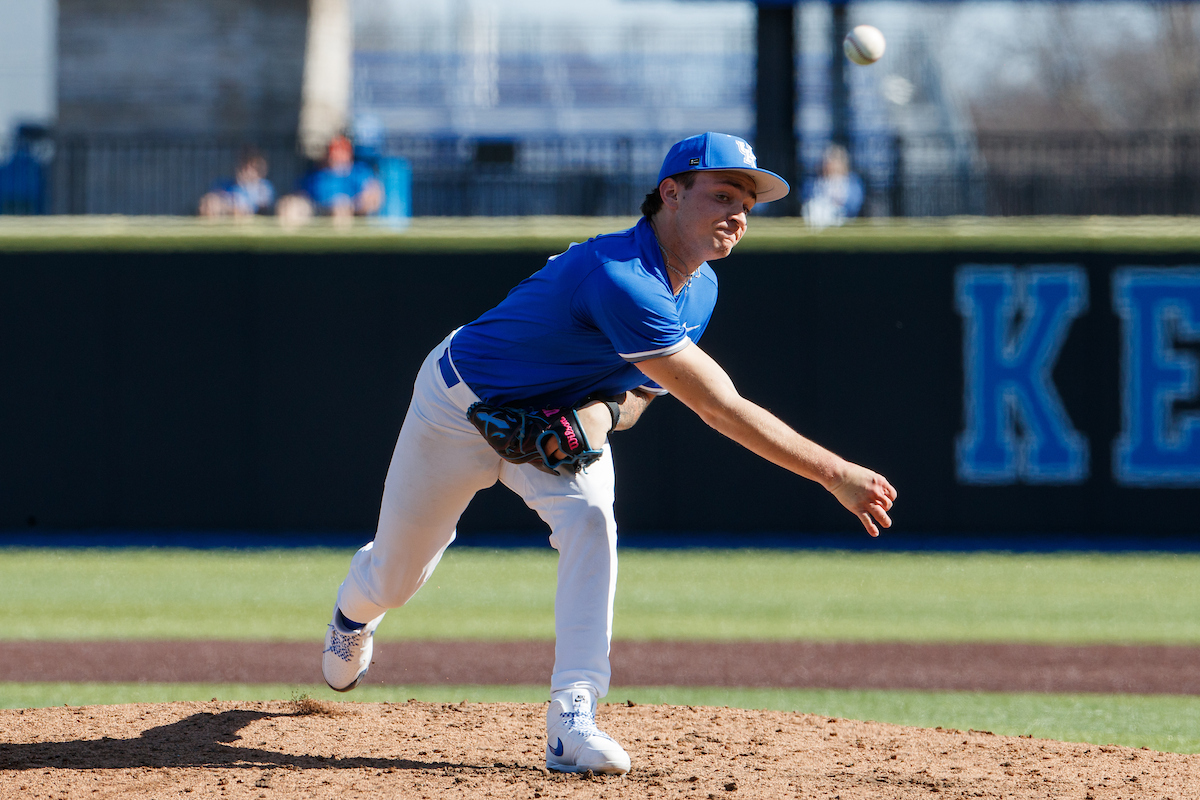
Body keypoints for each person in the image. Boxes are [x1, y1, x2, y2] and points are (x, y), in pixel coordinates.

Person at [321, 131, 897, 775]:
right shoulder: (623, 277)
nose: (739, 212)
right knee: (396, 577)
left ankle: (573, 717)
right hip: (458, 406)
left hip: (555, 422)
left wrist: (597, 415)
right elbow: (719, 406)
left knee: (592, 523)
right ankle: (353, 612)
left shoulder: (698, 288)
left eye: (750, 201)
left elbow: (647, 391)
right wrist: (835, 474)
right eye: (724, 193)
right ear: (671, 194)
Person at [276, 134, 383, 228]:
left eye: (341, 151)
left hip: (348, 211)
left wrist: (354, 205)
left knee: (341, 209)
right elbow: (300, 194)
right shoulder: (317, 174)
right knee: (290, 207)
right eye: (334, 151)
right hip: (317, 212)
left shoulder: (358, 172)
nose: (336, 156)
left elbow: (374, 196)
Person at [801, 144, 864, 229]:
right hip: (819, 226)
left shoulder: (853, 182)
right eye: (829, 161)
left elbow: (854, 204)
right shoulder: (814, 183)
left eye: (835, 161)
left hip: (845, 224)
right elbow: (807, 200)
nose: (831, 165)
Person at [198, 148, 275, 218]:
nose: (245, 170)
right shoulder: (223, 183)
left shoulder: (263, 188)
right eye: (243, 165)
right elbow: (208, 202)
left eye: (251, 167)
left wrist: (228, 207)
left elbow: (258, 211)